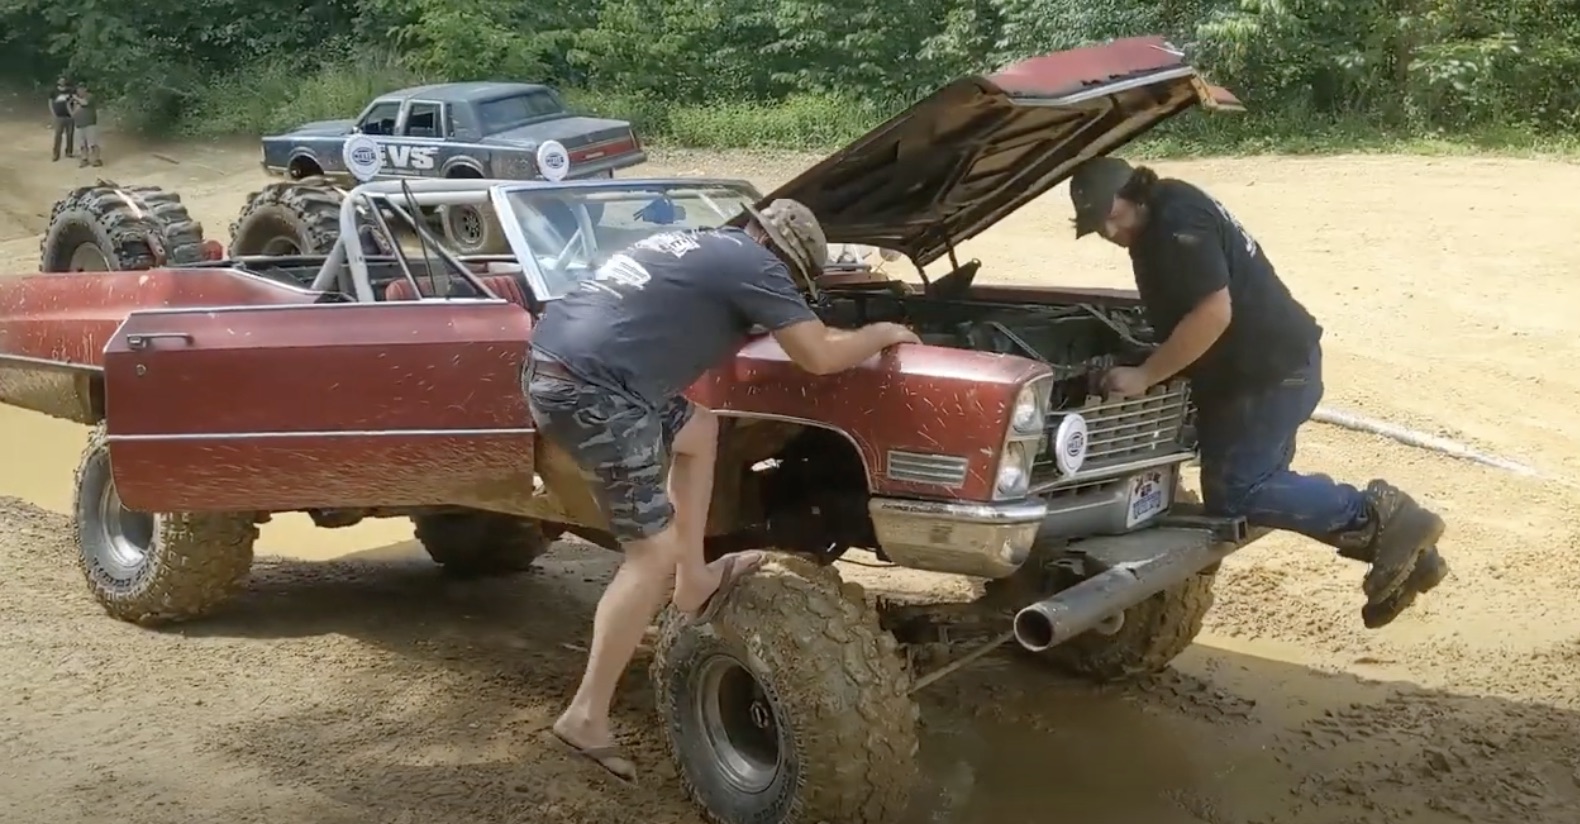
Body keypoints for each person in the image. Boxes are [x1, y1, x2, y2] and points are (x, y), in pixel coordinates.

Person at [524, 198, 919, 781]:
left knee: (700, 429)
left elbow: (791, 329)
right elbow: (817, 356)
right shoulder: (756, 266)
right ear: (777, 255)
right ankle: (585, 717)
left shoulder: (707, 246)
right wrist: (882, 332)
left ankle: (695, 580)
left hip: (563, 368)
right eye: (792, 282)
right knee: (647, 555)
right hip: (595, 394)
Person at [1068, 156, 1448, 629]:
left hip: (1270, 373)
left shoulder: (1175, 226)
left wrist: (1145, 374)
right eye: (1097, 225)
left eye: (1110, 216)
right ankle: (1410, 556)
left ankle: (1381, 514)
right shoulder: (1169, 210)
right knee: (1250, 487)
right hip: (1270, 365)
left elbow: (1212, 314)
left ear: (1133, 193)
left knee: (1241, 493)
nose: (1107, 231)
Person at [71, 83, 102, 168]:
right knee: (82, 144)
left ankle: (96, 159)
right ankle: (84, 159)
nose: (79, 90)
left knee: (92, 143)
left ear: (85, 89)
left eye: (81, 88)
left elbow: (85, 103)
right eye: (78, 89)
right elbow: (74, 111)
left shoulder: (90, 96)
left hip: (90, 124)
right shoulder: (76, 100)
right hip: (79, 124)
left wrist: (76, 98)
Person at [48, 77, 75, 162]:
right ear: (58, 81)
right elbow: (50, 103)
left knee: (70, 134)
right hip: (59, 116)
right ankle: (56, 153)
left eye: (63, 80)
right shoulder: (54, 91)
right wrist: (53, 113)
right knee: (58, 135)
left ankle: (69, 152)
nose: (62, 82)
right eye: (60, 80)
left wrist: (74, 113)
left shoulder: (70, 91)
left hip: (69, 116)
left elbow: (74, 101)